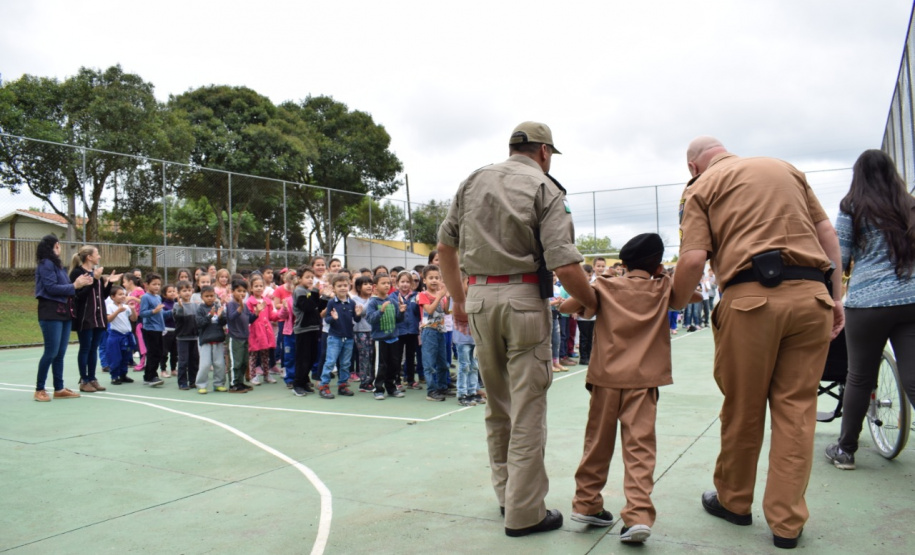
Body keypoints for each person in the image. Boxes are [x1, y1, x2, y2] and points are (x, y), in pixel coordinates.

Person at [672, 136, 844, 550]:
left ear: (694, 166)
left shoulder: (701, 187)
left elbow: (694, 258)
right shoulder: (786, 168)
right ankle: (787, 523)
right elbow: (827, 236)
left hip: (749, 301)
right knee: (797, 411)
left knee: (744, 407)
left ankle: (734, 502)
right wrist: (835, 297)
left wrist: (672, 306)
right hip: (811, 298)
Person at [437, 121, 595, 537]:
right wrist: (591, 302)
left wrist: (457, 299)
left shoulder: (473, 180)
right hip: (524, 298)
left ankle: (507, 495)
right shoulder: (546, 188)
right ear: (544, 152)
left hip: (479, 299)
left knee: (498, 405)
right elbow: (563, 261)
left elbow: (444, 247)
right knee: (528, 410)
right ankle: (525, 513)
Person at [560, 233, 699, 543]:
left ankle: (586, 503)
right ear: (658, 263)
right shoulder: (663, 287)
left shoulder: (605, 286)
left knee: (596, 443)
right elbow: (694, 297)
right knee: (639, 448)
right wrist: (665, 277)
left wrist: (600, 281)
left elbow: (569, 306)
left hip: (605, 378)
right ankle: (636, 515)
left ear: (623, 262)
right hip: (643, 381)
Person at [825, 149, 915, 470]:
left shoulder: (852, 208)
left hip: (867, 303)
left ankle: (846, 450)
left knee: (860, 377)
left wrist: (835, 296)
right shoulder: (910, 206)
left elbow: (841, 256)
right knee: (913, 377)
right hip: (910, 299)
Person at [34, 235, 94, 401]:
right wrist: (75, 285)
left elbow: (66, 288)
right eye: (58, 245)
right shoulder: (46, 263)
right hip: (51, 311)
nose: (60, 248)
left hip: (65, 311)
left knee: (60, 353)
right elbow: (51, 288)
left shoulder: (57, 265)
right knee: (51, 351)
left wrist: (80, 283)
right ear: (54, 246)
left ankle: (59, 388)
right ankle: (40, 389)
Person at [69, 245, 121, 392]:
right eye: (97, 254)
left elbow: (102, 296)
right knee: (85, 348)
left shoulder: (94, 273)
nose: (99, 256)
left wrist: (110, 282)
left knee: (94, 348)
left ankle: (92, 378)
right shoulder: (78, 273)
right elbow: (78, 296)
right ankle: (84, 380)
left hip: (98, 317)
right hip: (85, 317)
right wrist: (94, 279)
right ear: (89, 257)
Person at [318, 274, 362, 399]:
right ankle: (324, 385)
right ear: (334, 288)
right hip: (334, 337)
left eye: (345, 285)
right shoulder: (332, 302)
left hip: (348, 337)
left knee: (346, 363)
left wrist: (358, 314)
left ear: (349, 286)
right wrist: (333, 318)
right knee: (330, 362)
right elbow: (326, 319)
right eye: (339, 286)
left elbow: (356, 320)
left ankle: (342, 385)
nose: (343, 288)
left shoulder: (352, 303)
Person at [417, 265, 450, 401]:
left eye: (437, 278)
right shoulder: (422, 295)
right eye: (431, 278)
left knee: (443, 362)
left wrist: (447, 298)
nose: (434, 280)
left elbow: (446, 311)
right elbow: (429, 310)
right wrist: (439, 296)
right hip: (429, 331)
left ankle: (442, 387)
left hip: (441, 331)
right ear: (424, 280)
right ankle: (431, 391)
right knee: (429, 363)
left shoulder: (441, 295)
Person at [292, 265, 326, 396]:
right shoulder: (299, 291)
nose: (310, 279)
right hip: (303, 330)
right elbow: (307, 307)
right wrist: (316, 291)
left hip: (313, 328)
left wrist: (325, 297)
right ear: (299, 279)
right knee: (303, 358)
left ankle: (305, 381)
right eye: (307, 277)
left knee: (311, 357)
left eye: (312, 277)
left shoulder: (308, 291)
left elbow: (316, 307)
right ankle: (297, 384)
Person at [139, 273, 171, 387]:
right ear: (146, 285)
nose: (157, 286)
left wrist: (174, 311)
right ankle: (151, 376)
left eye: (159, 284)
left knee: (159, 353)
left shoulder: (158, 297)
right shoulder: (146, 297)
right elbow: (142, 313)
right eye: (154, 284)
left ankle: (148, 376)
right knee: (153, 353)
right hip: (150, 329)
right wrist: (153, 311)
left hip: (159, 329)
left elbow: (162, 314)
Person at [195, 285, 227, 393]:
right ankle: (201, 385)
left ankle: (218, 384)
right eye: (207, 296)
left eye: (211, 296)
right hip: (205, 341)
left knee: (219, 364)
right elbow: (199, 323)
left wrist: (221, 316)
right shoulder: (200, 309)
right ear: (202, 297)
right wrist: (210, 316)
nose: (209, 298)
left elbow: (224, 322)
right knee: (205, 364)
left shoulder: (218, 307)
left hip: (218, 339)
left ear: (215, 296)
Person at [226, 280, 256, 393]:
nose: (242, 294)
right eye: (239, 291)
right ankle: (234, 384)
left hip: (244, 337)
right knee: (236, 362)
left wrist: (256, 314)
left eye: (244, 291)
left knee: (244, 362)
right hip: (235, 337)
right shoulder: (231, 304)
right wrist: (239, 310)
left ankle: (240, 382)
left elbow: (249, 319)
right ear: (232, 291)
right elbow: (231, 317)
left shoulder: (245, 305)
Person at [104, 285, 137, 385]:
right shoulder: (110, 306)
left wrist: (133, 309)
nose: (123, 296)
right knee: (115, 357)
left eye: (124, 294)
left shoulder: (126, 307)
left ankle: (123, 375)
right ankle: (114, 376)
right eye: (120, 294)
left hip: (126, 335)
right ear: (113, 297)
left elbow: (134, 319)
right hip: (115, 336)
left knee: (125, 356)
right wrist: (118, 311)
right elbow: (108, 319)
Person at [172, 280, 200, 391]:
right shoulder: (176, 305)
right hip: (182, 337)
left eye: (189, 290)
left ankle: (193, 381)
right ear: (179, 292)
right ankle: (182, 382)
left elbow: (198, 320)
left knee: (194, 360)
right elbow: (178, 318)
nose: (187, 293)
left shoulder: (195, 306)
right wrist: (180, 307)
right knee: (183, 361)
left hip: (194, 337)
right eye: (184, 291)